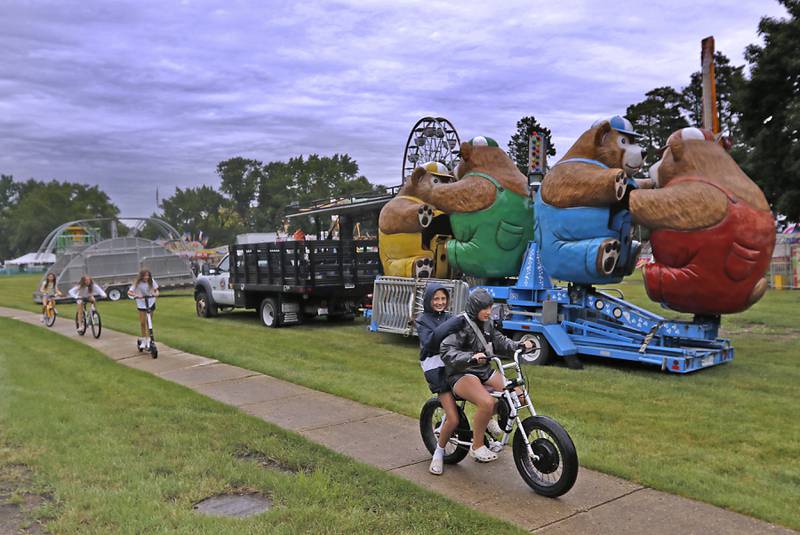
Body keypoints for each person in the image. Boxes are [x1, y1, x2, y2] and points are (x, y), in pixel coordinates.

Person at [441, 288, 532, 463]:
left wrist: (519, 345)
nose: (489, 312)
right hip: (461, 373)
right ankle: (476, 446)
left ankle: (488, 418)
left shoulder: (488, 323)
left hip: (483, 371)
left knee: (519, 396)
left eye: (490, 307)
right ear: (474, 308)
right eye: (484, 308)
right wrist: (470, 357)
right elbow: (446, 351)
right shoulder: (460, 325)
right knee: (487, 402)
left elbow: (500, 340)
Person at [128, 269, 159, 351]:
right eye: (145, 275)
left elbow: (156, 290)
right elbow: (130, 292)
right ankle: (144, 340)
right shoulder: (137, 283)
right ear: (141, 276)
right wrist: (136, 295)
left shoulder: (151, 281)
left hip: (151, 302)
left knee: (149, 322)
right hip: (141, 303)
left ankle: (149, 339)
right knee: (142, 323)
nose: (146, 277)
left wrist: (156, 294)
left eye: (148, 275)